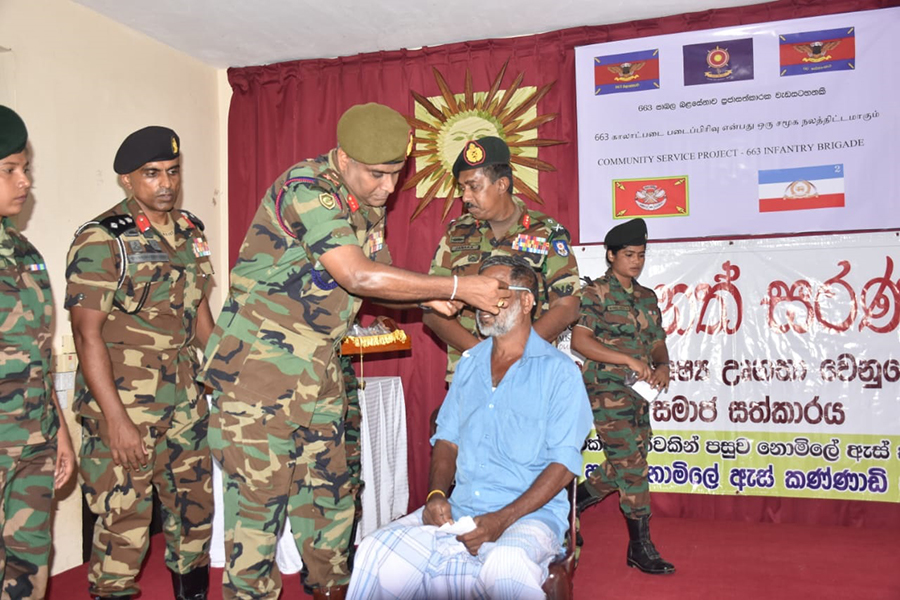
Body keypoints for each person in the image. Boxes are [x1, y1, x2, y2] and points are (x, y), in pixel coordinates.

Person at [198, 102, 509, 600]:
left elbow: (376, 276)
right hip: (257, 376)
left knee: (331, 502)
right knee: (258, 517)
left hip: (318, 370)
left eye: (396, 174)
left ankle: (332, 588)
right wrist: (455, 285)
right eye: (378, 175)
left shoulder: (367, 201)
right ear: (342, 159)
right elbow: (356, 274)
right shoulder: (307, 188)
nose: (388, 188)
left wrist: (426, 294)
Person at [348, 255, 592, 599]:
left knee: (505, 565)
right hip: (461, 511)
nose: (482, 303)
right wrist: (435, 496)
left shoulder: (559, 373)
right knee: (376, 551)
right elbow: (446, 440)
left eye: (496, 292)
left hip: (528, 518)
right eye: (478, 294)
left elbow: (564, 465)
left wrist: (500, 521)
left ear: (526, 301)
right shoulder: (468, 366)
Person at [66, 126, 215, 599]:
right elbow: (85, 334)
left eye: (172, 171)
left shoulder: (191, 232)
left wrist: (222, 382)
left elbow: (201, 317)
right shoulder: (101, 239)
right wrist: (116, 420)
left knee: (195, 513)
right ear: (126, 180)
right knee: (124, 522)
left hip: (186, 402)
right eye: (151, 174)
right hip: (128, 406)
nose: (165, 183)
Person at [425, 136, 581, 383]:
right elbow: (431, 309)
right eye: (461, 188)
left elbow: (567, 306)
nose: (465, 197)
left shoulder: (547, 232)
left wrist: (518, 353)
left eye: (473, 186)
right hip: (470, 374)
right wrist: (482, 354)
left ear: (501, 184)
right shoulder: (456, 233)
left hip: (529, 374)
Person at [0, 106, 76, 599]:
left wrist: (60, 431)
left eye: (25, 168)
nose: (24, 181)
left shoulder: (24, 254)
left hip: (32, 443)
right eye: (10, 169)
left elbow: (38, 355)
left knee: (28, 570)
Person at [570, 218, 675, 575]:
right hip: (605, 390)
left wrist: (662, 365)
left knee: (626, 462)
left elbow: (657, 341)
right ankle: (639, 547)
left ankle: (574, 503)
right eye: (629, 254)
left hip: (640, 392)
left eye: (641, 255)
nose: (636, 261)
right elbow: (580, 342)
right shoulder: (594, 293)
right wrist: (627, 358)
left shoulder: (647, 297)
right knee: (632, 466)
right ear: (611, 255)